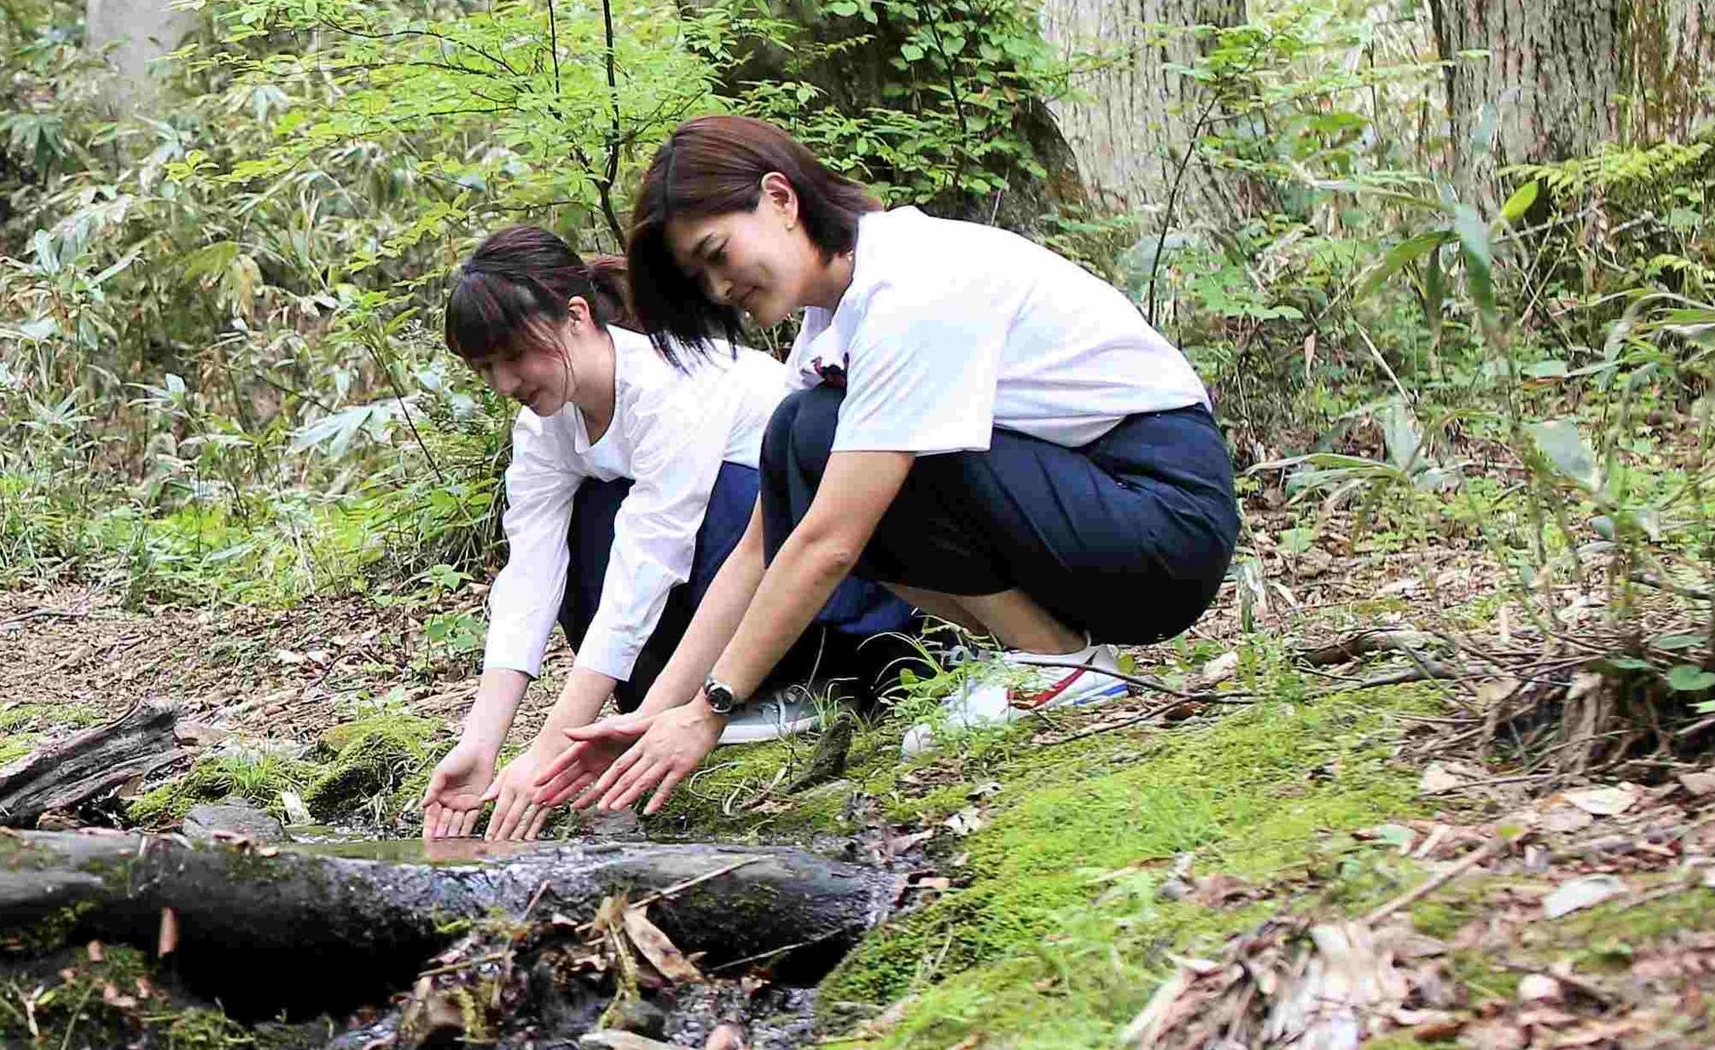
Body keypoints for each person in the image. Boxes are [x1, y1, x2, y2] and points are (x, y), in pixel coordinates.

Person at [536, 115, 1241, 818]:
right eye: (702, 277)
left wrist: (713, 710)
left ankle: (1058, 662)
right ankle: (1044, 656)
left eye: (718, 253)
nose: (720, 287)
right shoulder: (836, 324)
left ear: (780, 198)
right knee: (799, 439)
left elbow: (829, 540)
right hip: (1090, 508)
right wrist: (661, 715)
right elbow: (763, 542)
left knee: (819, 438)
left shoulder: (913, 285)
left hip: (1161, 517)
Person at [416, 224, 921, 850]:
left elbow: (649, 565)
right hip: (710, 617)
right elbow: (529, 577)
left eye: (514, 356)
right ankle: (679, 706)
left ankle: (808, 687)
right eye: (486, 368)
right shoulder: (547, 427)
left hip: (839, 598)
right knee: (590, 520)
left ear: (576, 315)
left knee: (719, 495)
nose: (504, 382)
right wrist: (482, 744)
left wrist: (547, 752)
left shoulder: (666, 383)